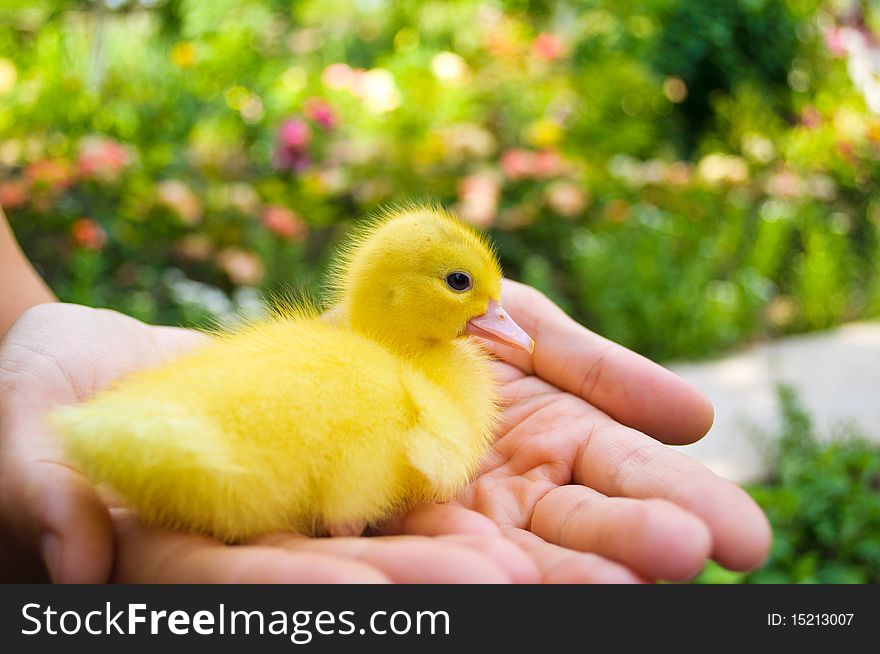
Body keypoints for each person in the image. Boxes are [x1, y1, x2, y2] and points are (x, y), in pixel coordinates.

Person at [0, 206, 771, 583]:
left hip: (151, 437)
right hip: (209, 456)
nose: (493, 315)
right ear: (395, 294)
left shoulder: (339, 356)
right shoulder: (416, 397)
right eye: (464, 287)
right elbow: (389, 459)